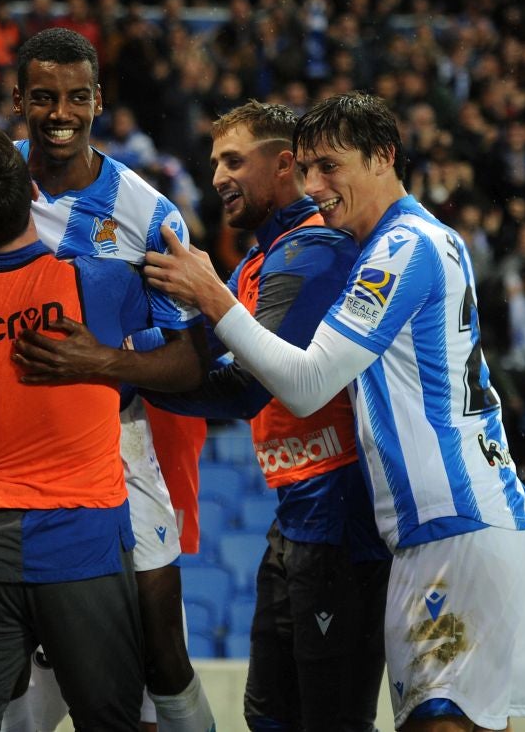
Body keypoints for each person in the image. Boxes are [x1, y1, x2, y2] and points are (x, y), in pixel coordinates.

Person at [145, 92, 525, 731]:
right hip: (445, 527)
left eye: (330, 167)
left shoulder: (401, 249)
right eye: (306, 170)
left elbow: (304, 385)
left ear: (383, 157)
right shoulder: (400, 243)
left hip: (453, 522)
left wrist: (212, 298)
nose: (315, 187)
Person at [0, 29, 213, 732]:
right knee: (12, 672)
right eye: (44, 98)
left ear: (98, 101)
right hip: (5, 454)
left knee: (158, 646)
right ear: (19, 99)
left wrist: (101, 363)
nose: (60, 113)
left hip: (113, 444)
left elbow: (188, 360)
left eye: (77, 97)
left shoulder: (149, 212)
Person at [121, 101, 389, 731]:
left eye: (234, 160)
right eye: (215, 161)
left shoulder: (314, 253)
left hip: (341, 521)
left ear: (285, 164)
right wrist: (110, 352)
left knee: (330, 721)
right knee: (268, 716)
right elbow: (189, 355)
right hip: (297, 516)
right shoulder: (255, 264)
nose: (217, 176)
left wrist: (113, 371)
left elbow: (244, 390)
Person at [0, 122, 151, 730]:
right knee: (109, 719)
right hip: (82, 538)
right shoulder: (97, 283)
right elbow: (174, 341)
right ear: (33, 194)